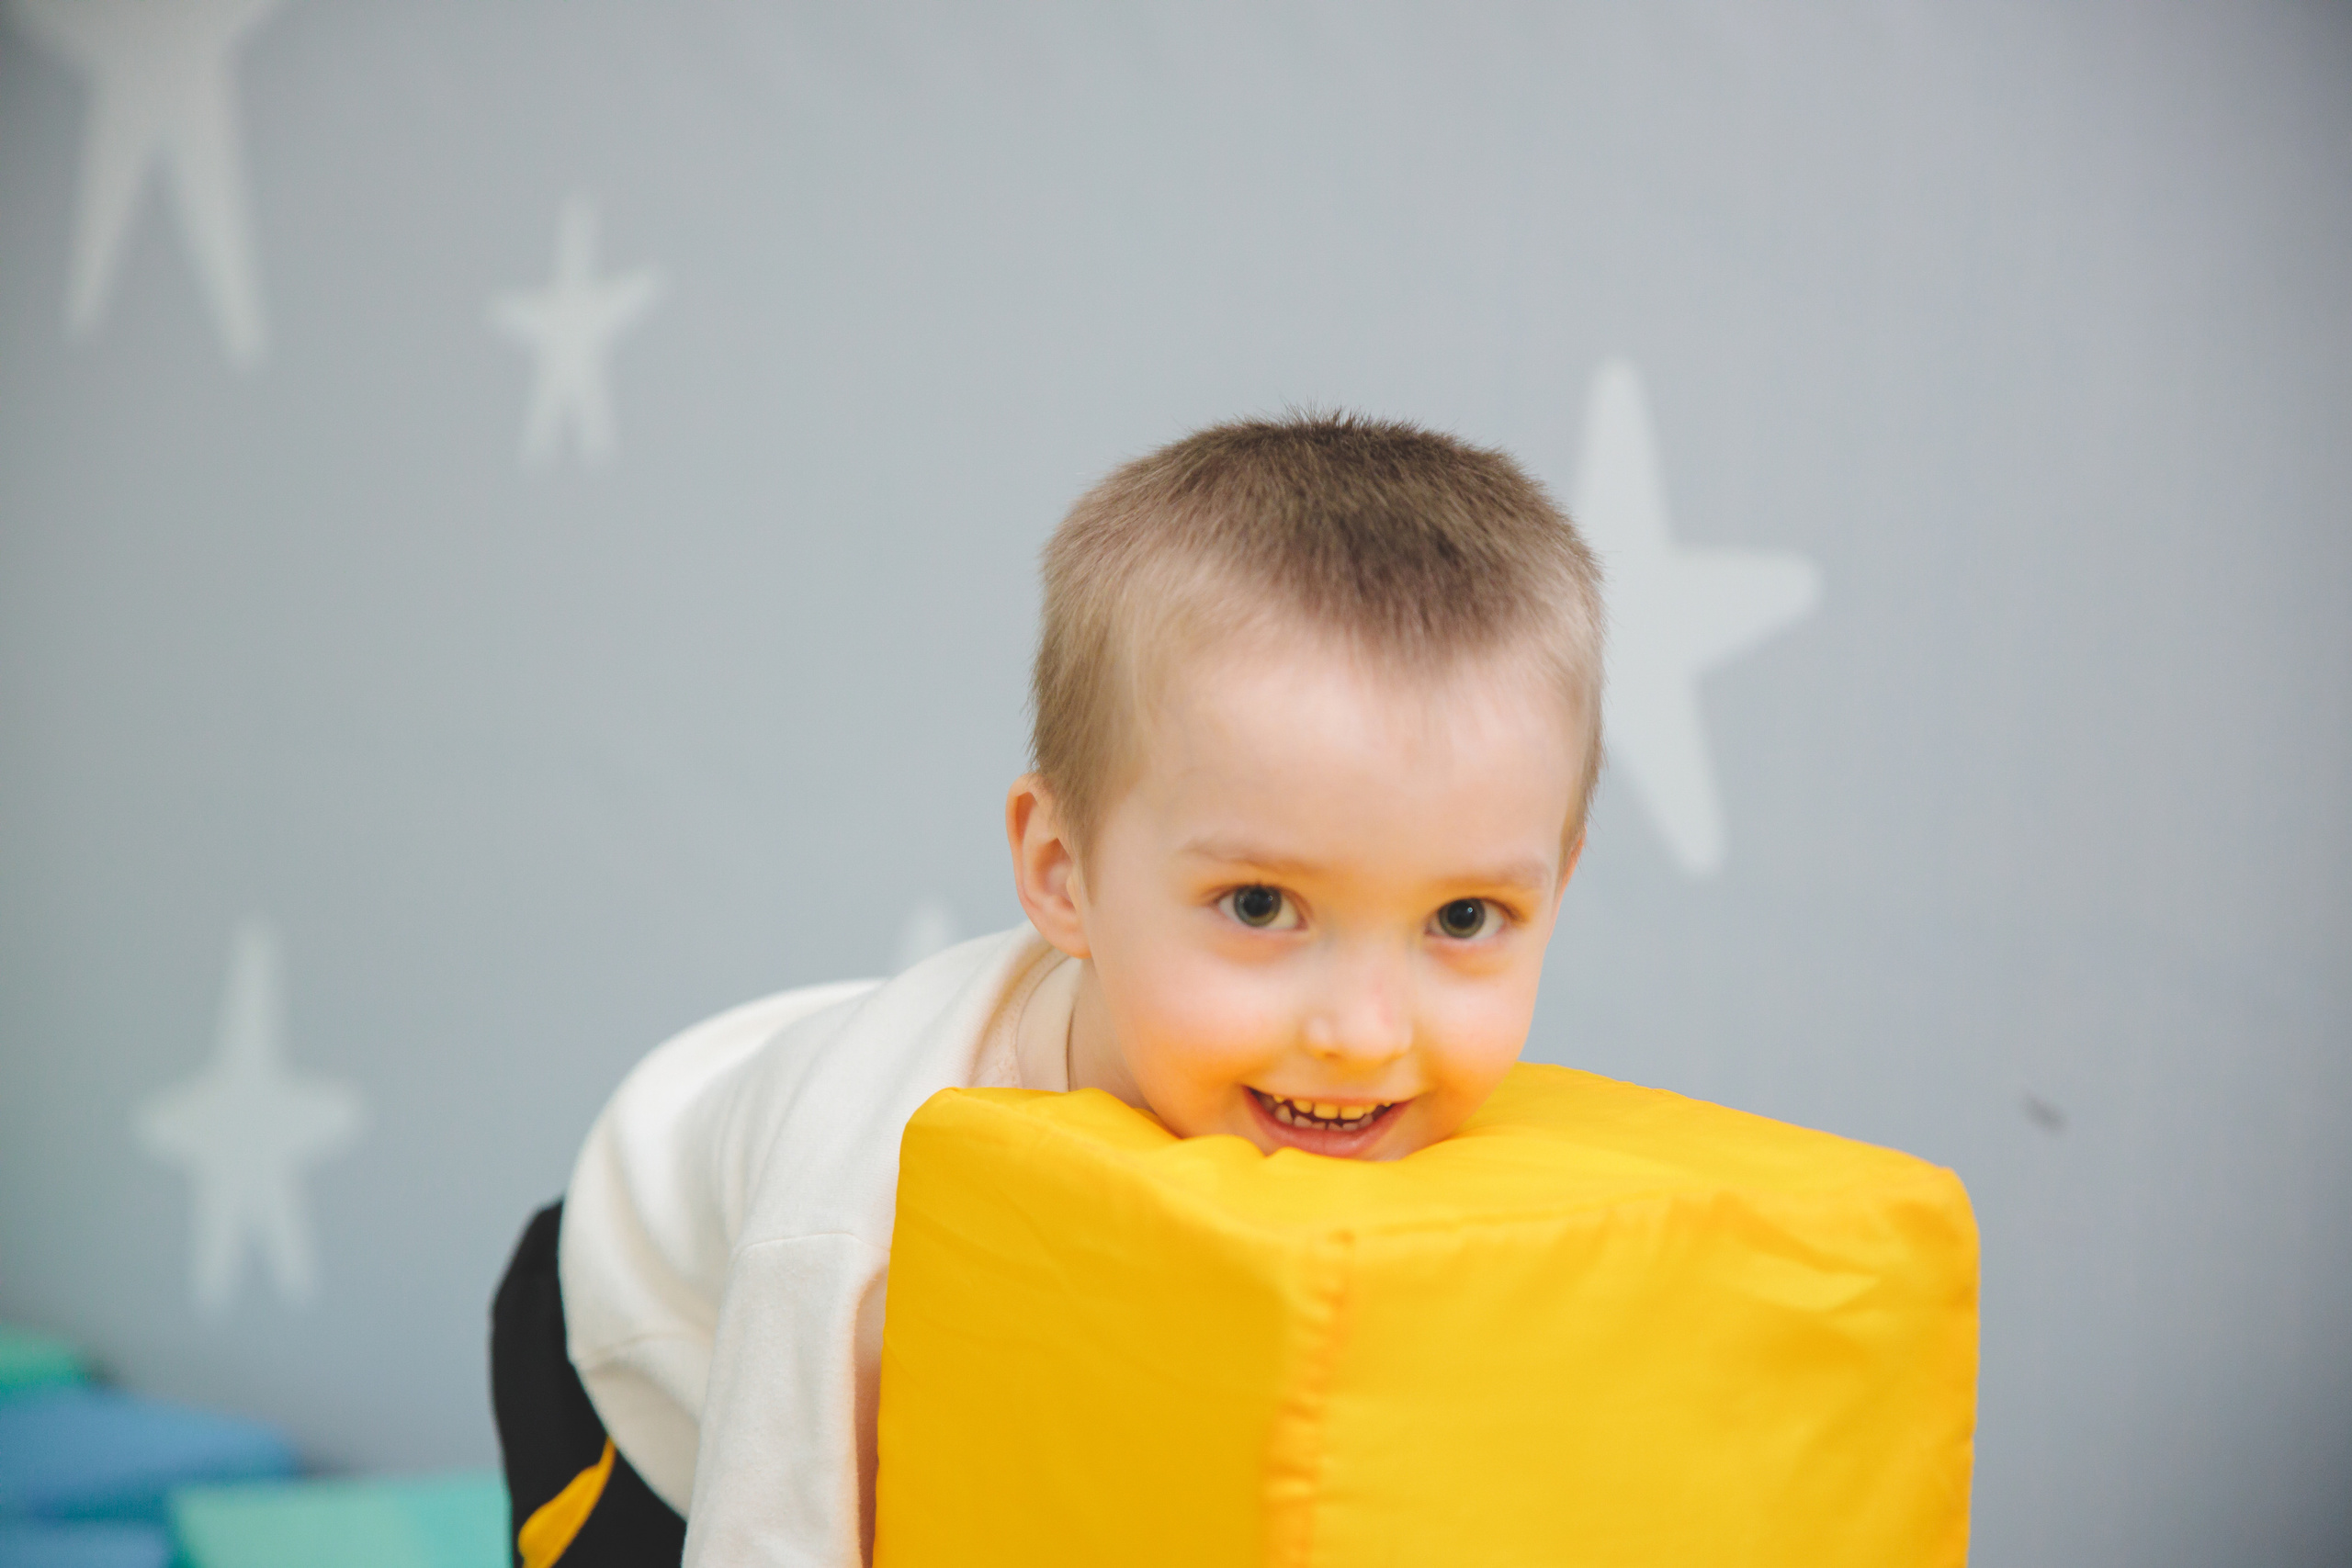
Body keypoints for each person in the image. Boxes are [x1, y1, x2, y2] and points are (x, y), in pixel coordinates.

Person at [490, 413, 1606, 1568]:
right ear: (1060, 873)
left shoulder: (1340, 1103)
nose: (1366, 1036)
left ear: (1555, 887)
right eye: (1262, 906)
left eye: (1462, 920)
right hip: (647, 1320)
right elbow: (769, 1532)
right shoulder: (858, 1223)